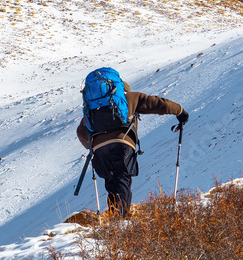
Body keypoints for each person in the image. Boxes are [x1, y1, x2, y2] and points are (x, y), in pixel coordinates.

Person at [76, 68, 187, 218]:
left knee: (111, 181)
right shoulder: (130, 98)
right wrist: (180, 111)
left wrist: (93, 146)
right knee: (122, 178)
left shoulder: (93, 107)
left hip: (99, 149)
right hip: (122, 143)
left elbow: (81, 132)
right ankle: (121, 218)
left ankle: (116, 214)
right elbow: (157, 103)